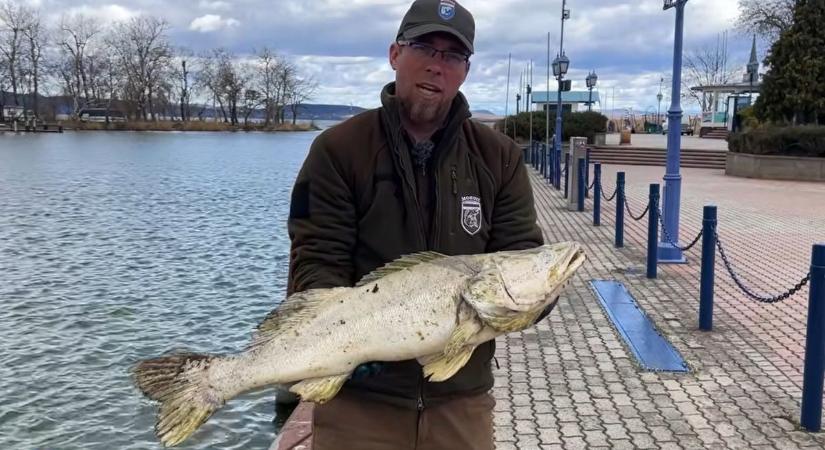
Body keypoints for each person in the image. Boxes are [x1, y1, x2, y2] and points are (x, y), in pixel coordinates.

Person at [285, 0, 545, 448]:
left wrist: (532, 299)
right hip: (359, 405)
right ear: (395, 54)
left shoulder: (500, 157)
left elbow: (524, 255)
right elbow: (316, 260)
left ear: (465, 70)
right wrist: (349, 348)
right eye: (424, 47)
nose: (436, 66)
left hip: (460, 404)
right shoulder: (337, 150)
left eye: (452, 55)